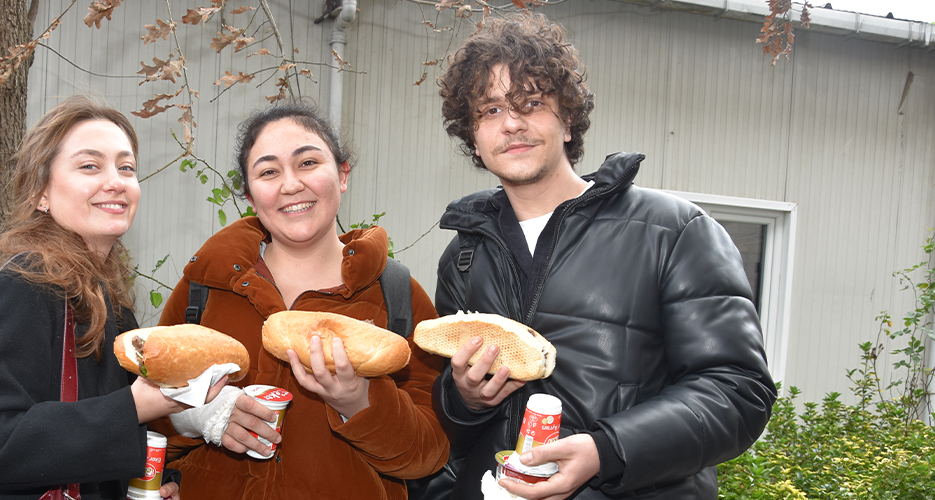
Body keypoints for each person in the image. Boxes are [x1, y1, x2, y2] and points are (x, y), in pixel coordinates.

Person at [431, 13, 777, 500]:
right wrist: (464, 399)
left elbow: (739, 392)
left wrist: (606, 451)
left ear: (568, 120)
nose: (511, 123)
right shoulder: (464, 255)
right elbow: (445, 428)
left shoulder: (674, 232)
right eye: (489, 111)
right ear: (473, 136)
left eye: (531, 103)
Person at [150, 101, 450, 499]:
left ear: (342, 174)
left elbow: (429, 454)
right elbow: (144, 421)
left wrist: (359, 402)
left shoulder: (396, 295)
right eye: (269, 172)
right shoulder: (205, 285)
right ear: (250, 196)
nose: (290, 185)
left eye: (307, 163)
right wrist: (198, 416)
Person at [0, 96, 225, 500]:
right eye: (90, 165)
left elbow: (92, 431)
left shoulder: (103, 294)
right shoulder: (27, 286)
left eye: (126, 167)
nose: (116, 181)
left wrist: (156, 483)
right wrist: (135, 406)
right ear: (41, 192)